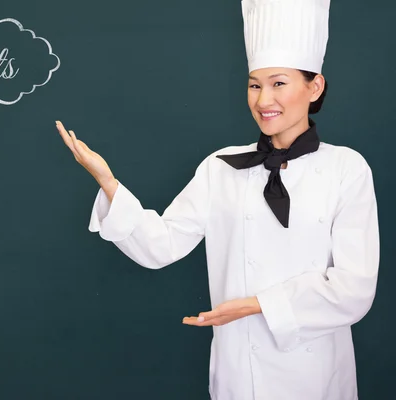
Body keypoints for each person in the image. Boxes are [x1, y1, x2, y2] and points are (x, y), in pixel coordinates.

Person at [55, 0, 379, 398]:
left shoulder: (347, 169)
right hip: (237, 375)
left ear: (314, 86)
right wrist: (108, 183)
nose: (263, 101)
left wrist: (257, 305)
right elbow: (161, 245)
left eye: (279, 83)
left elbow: (354, 290)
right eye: (254, 84)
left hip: (318, 378)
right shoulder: (221, 167)